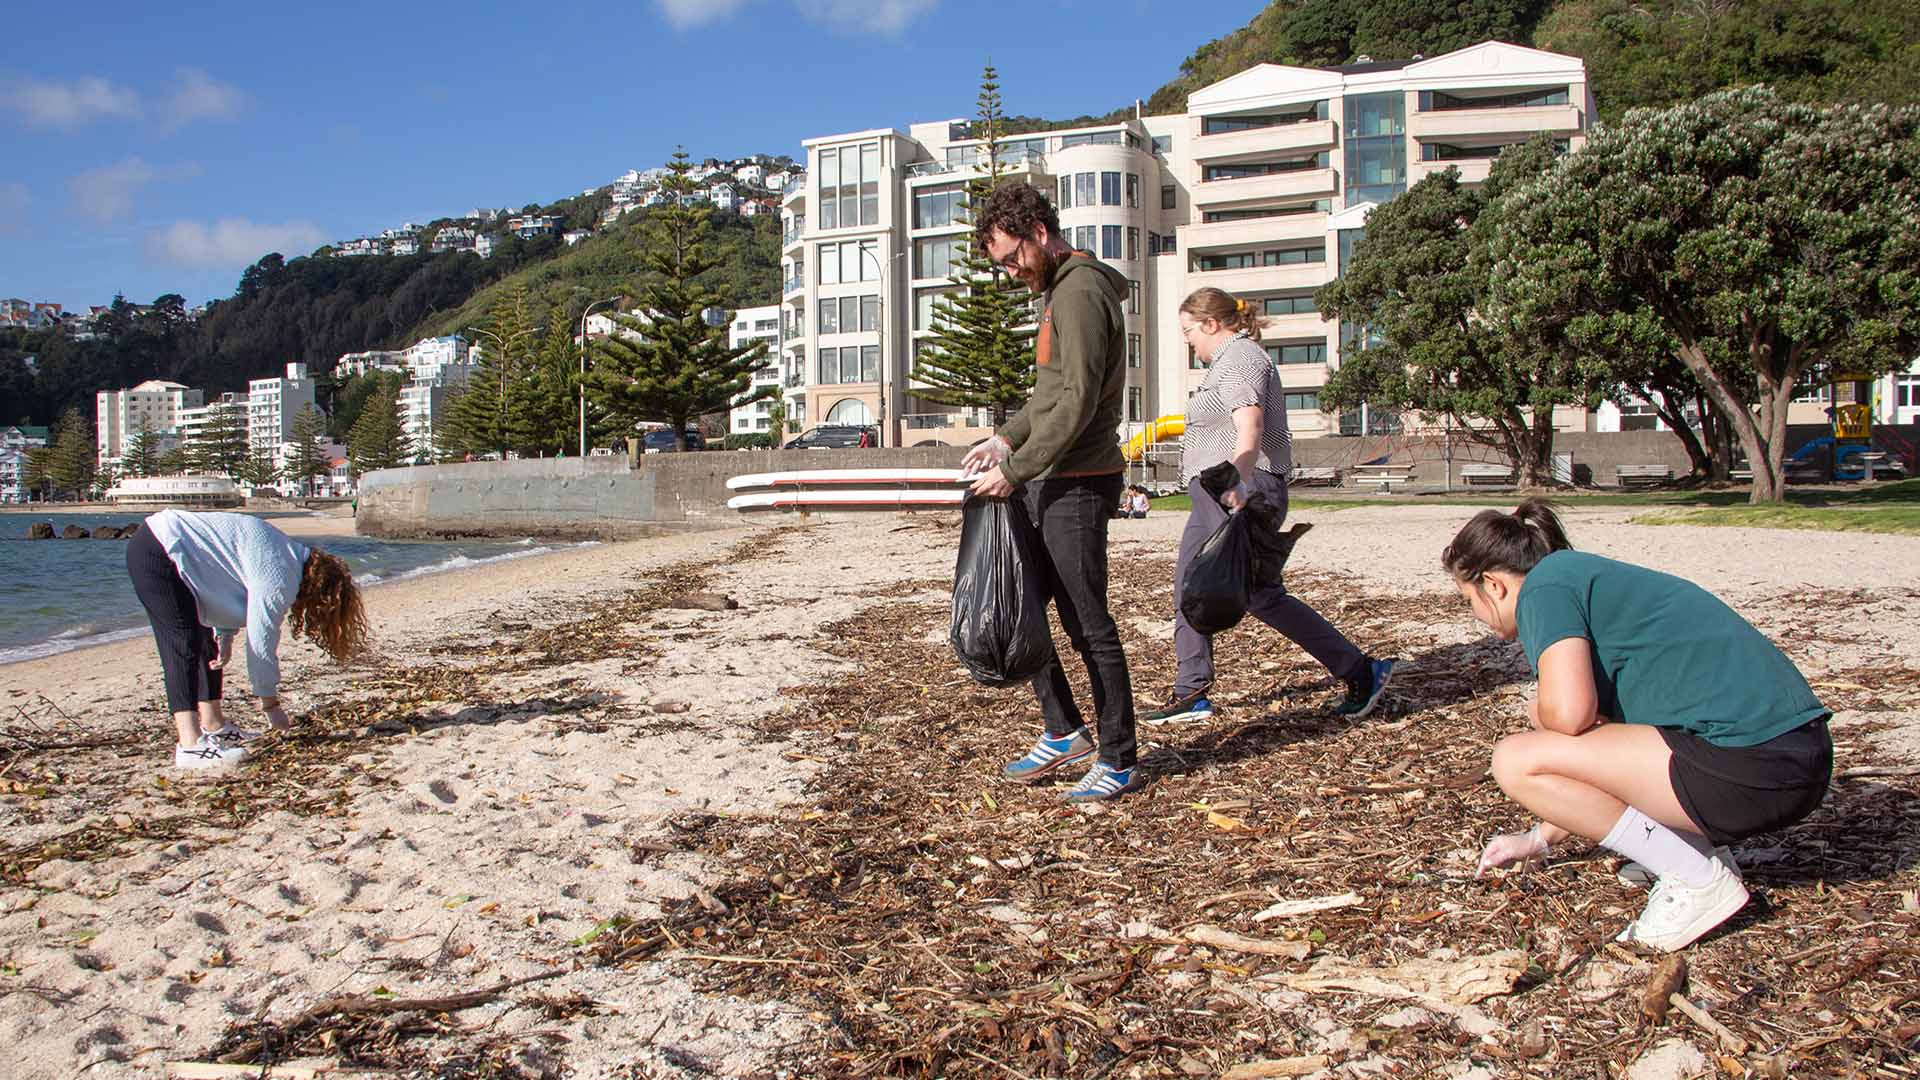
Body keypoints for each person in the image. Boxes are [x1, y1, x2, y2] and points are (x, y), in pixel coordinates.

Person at [1452, 500, 1832, 951]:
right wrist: (1540, 838)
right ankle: (1696, 855)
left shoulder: (1544, 589)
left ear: (1493, 585)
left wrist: (1539, 712)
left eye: (1467, 599)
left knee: (1515, 758)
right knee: (1564, 741)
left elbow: (1569, 716)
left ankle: (1695, 878)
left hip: (1755, 765)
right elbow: (1604, 759)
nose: (1473, 613)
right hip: (1790, 757)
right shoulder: (1582, 579)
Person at [962, 179, 1140, 802]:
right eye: (1001, 264)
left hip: (1080, 481)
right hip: (1048, 474)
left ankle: (1119, 756)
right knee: (1027, 607)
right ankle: (1065, 729)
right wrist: (1004, 441)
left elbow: (1078, 401)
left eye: (1015, 257)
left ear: (1041, 233)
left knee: (1089, 623)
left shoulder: (1082, 292)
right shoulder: (1057, 292)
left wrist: (1013, 471)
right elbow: (1045, 398)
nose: (1012, 272)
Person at [1145, 288, 1396, 727]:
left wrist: (1239, 479)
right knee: (1257, 594)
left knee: (1197, 585)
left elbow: (1250, 420)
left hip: (1238, 489)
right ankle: (1360, 671)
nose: (1188, 341)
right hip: (1229, 490)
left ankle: (1192, 690)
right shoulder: (1230, 360)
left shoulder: (1239, 358)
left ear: (1211, 324)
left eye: (1189, 331)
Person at [126, 508, 371, 770]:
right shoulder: (280, 577)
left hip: (173, 549)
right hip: (157, 550)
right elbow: (261, 645)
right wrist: (271, 707)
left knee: (204, 642)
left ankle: (215, 726)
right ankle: (190, 744)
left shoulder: (286, 553)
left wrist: (225, 634)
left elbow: (223, 576)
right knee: (183, 643)